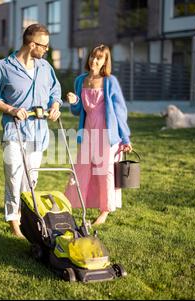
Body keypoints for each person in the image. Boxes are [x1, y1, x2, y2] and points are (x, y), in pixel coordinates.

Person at [0, 24, 62, 238]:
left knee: (30, 180)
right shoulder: (3, 67)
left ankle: (27, 218)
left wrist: (55, 106)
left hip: (39, 134)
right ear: (31, 44)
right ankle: (14, 224)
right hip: (14, 132)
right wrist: (11, 109)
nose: (46, 49)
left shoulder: (45, 68)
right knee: (13, 178)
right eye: (44, 46)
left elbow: (55, 92)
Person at [64, 44, 132, 226]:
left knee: (106, 172)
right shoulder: (80, 81)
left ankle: (105, 211)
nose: (94, 60)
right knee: (81, 168)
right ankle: (70, 204)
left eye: (99, 58)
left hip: (107, 133)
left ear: (104, 62)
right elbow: (78, 110)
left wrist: (125, 138)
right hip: (88, 131)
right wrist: (74, 101)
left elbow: (120, 111)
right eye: (93, 56)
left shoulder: (110, 81)